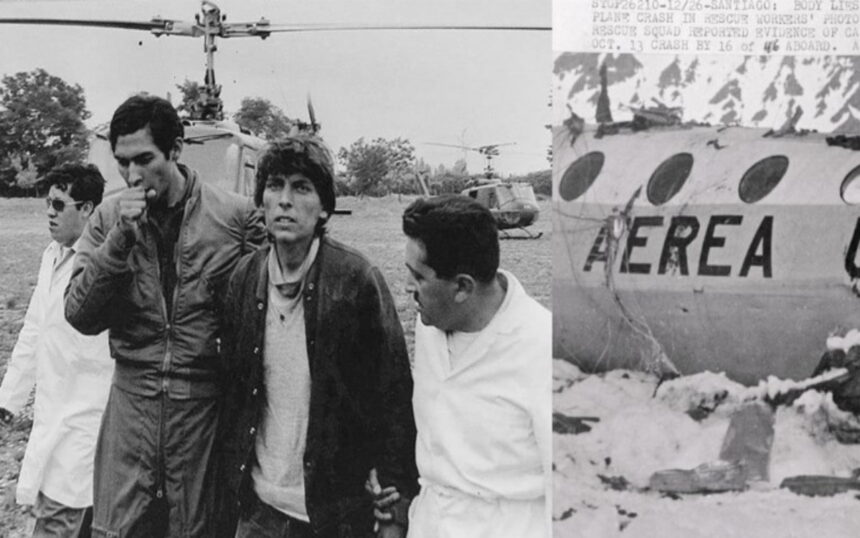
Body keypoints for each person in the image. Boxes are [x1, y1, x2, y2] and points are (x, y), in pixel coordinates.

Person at [64, 94, 265, 538]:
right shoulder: (108, 218)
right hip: (130, 406)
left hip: (202, 412)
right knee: (117, 529)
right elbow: (79, 313)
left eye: (144, 159)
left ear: (175, 149)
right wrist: (120, 241)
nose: (133, 175)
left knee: (197, 529)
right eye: (122, 163)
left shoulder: (234, 218)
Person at [215, 135, 418, 538]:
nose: (284, 200)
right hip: (259, 509)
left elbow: (394, 394)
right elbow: (233, 393)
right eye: (274, 186)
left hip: (335, 513)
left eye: (301, 188)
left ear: (324, 207)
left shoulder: (356, 280)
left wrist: (395, 500)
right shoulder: (244, 278)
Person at [387, 194, 552, 537]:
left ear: (462, 287)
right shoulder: (431, 321)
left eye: (418, 277)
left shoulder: (545, 348)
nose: (407, 288)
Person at [0, 164, 111, 538]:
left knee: (63, 516)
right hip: (53, 410)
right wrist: (7, 401)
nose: (49, 212)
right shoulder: (52, 254)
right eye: (48, 203)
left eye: (59, 204)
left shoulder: (104, 263)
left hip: (89, 416)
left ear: (88, 209)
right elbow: (33, 331)